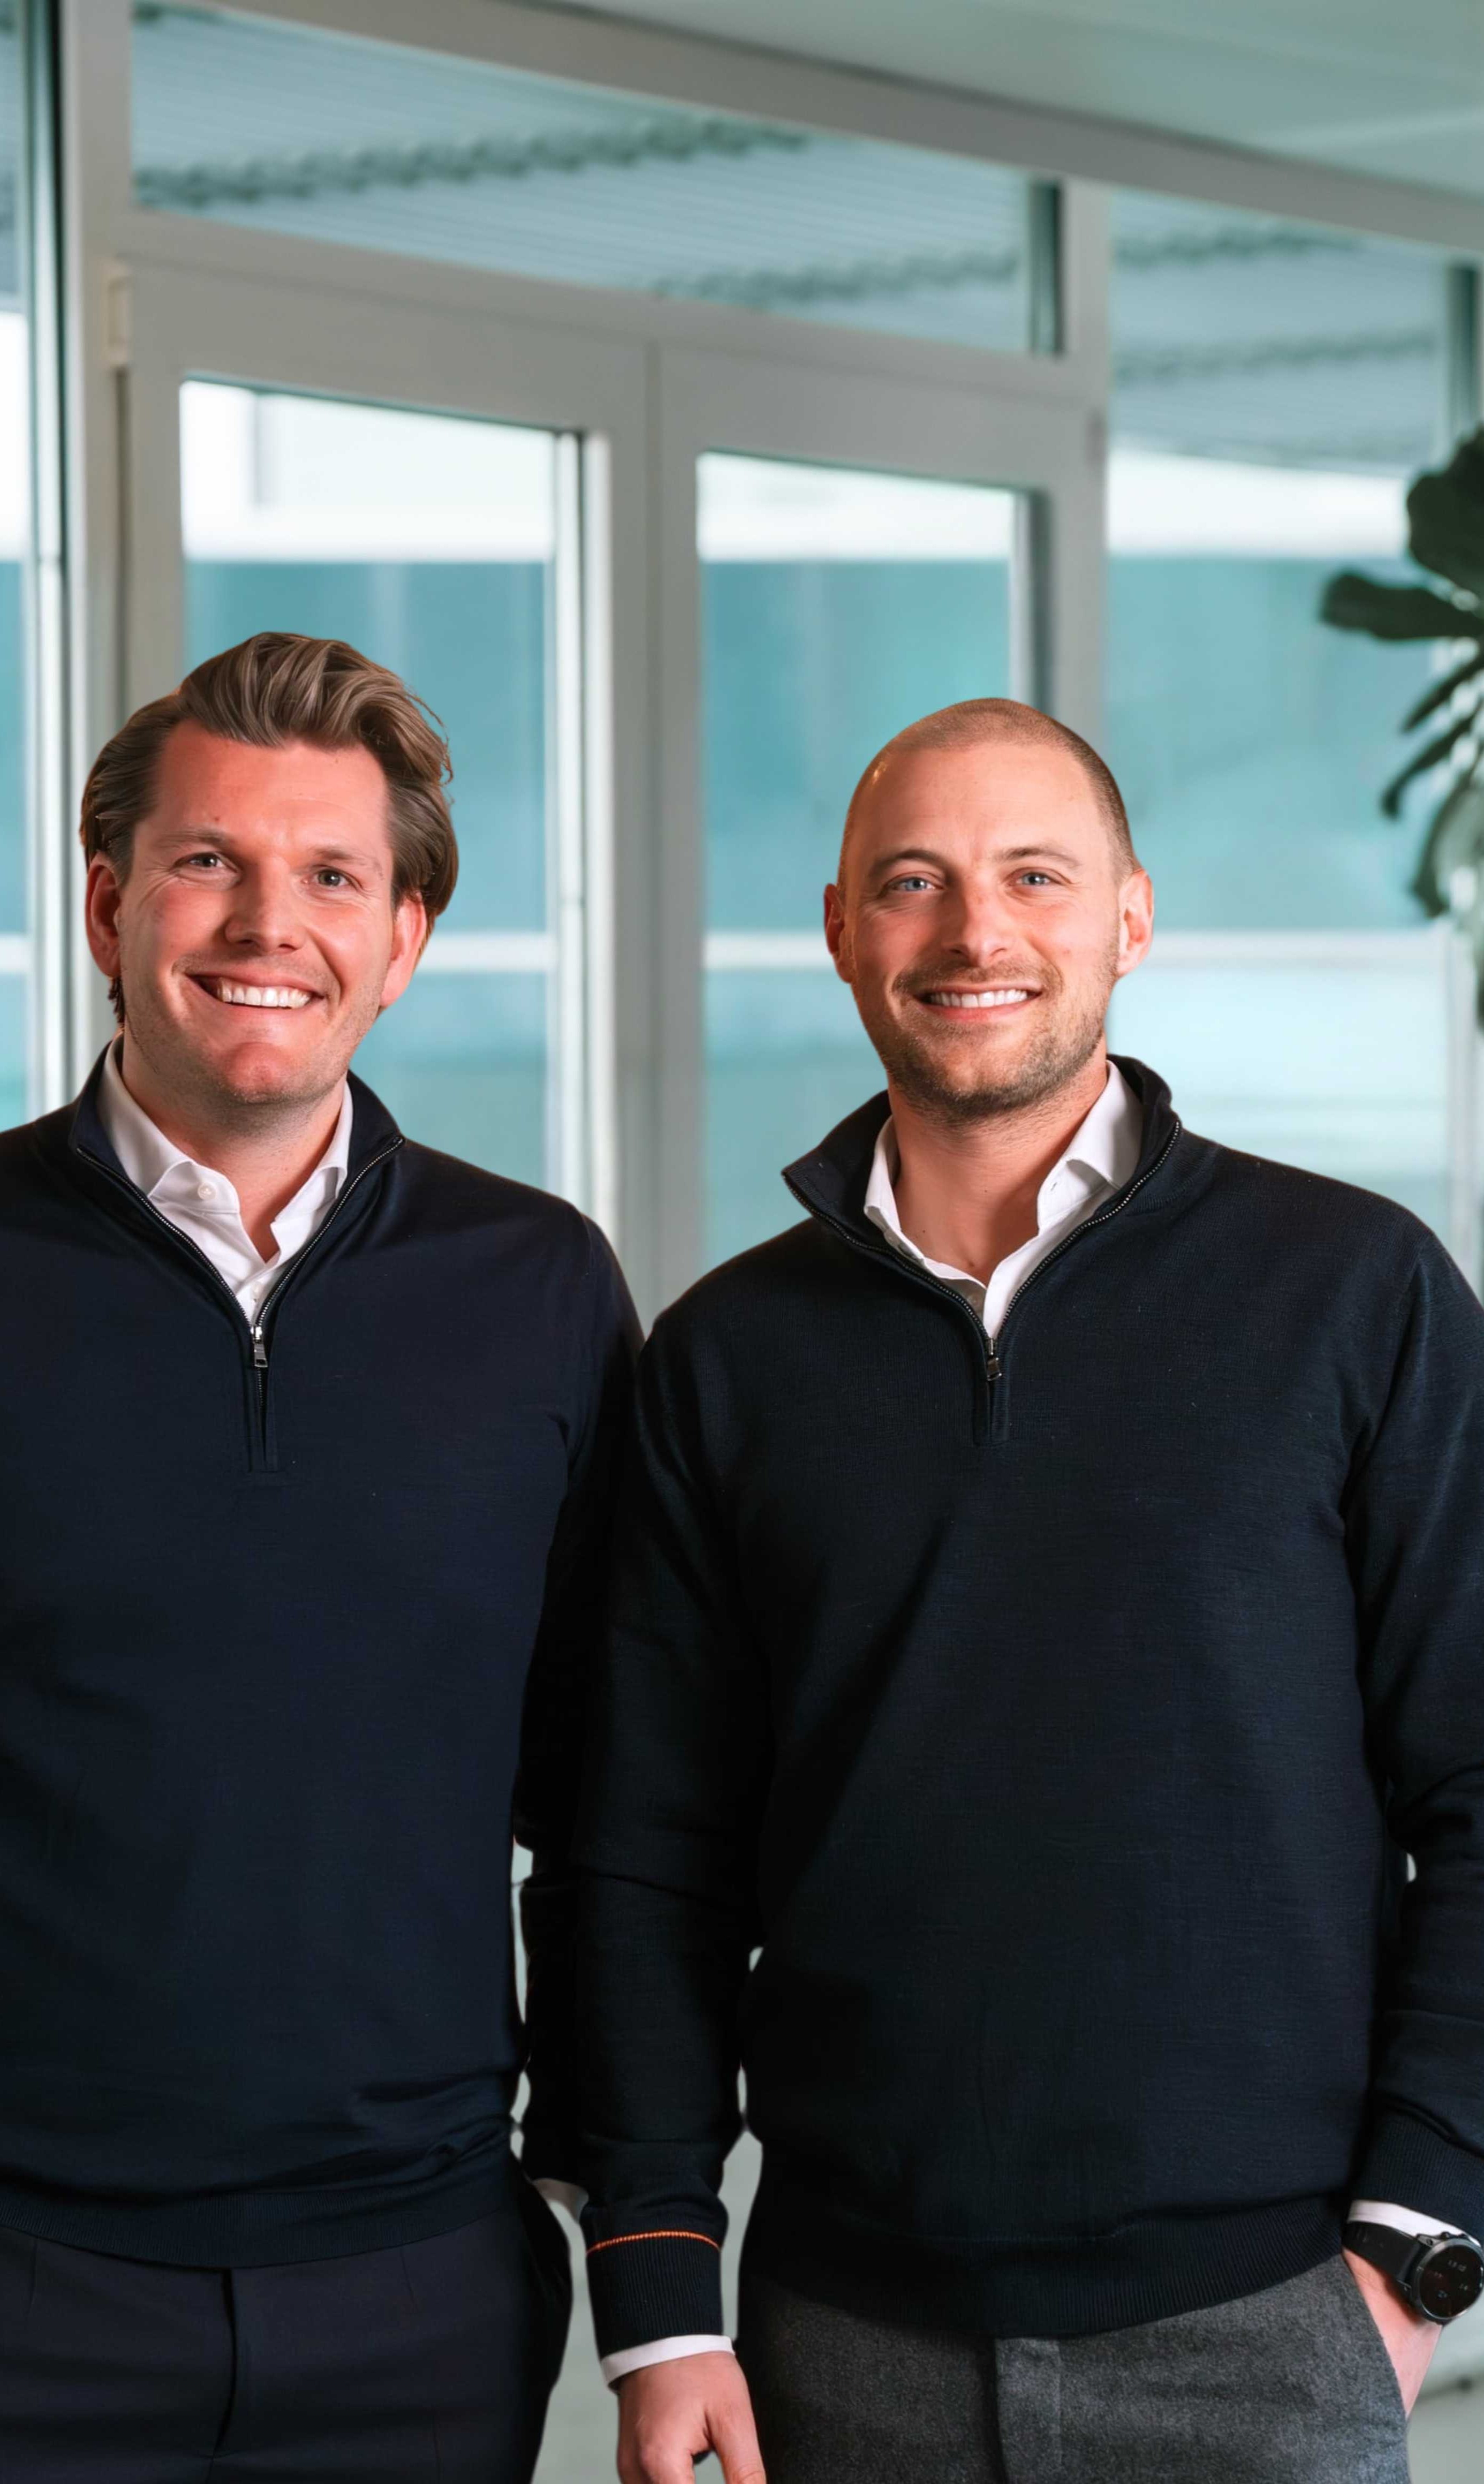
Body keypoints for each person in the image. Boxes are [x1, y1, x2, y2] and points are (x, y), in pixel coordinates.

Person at [577, 698, 1484, 2484]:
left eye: (1033, 878)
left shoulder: (1354, 1295)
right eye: (912, 883)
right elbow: (641, 1853)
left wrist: (1414, 2247)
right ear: (840, 929)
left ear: (1130, 917)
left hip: (1278, 2327)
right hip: (844, 2342)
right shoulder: (725, 1361)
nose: (975, 934)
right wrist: (664, 2291)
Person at [0, 632, 637, 2480]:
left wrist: (603, 2214)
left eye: (334, 876)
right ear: (109, 902)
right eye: (209, 862)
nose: (268, 920)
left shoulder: (540, 1293)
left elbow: (616, 1809)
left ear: (405, 939)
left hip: (418, 2299)